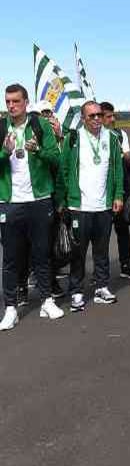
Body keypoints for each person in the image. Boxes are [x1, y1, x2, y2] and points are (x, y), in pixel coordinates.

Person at [0, 84, 64, 330]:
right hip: (10, 202)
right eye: (8, 102)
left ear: (26, 102)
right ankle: (11, 308)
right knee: (11, 259)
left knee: (42, 253)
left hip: (39, 200)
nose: (11, 106)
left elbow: (55, 158)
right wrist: (4, 153)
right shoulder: (1, 128)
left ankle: (47, 300)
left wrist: (38, 150)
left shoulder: (41, 126)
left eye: (16, 101)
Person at [61, 100, 124, 312]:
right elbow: (65, 170)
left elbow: (117, 169)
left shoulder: (112, 138)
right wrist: (66, 199)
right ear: (83, 118)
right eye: (92, 116)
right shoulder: (73, 138)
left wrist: (118, 195)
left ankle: (101, 287)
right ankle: (77, 291)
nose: (97, 119)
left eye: (99, 115)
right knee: (78, 252)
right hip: (80, 206)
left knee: (102, 250)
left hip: (103, 206)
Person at [100, 102, 130, 280]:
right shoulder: (95, 136)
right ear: (100, 118)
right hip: (100, 192)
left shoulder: (120, 134)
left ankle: (125, 263)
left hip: (120, 188)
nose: (113, 119)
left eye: (113, 115)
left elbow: (128, 158)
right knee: (100, 234)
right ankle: (101, 270)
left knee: (122, 229)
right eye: (108, 116)